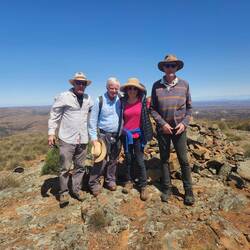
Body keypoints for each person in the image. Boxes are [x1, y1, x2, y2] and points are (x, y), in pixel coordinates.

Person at [150, 54, 195, 205]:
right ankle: (167, 188)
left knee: (184, 161)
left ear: (177, 68)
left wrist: (185, 123)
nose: (169, 68)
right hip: (164, 129)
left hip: (180, 129)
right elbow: (153, 109)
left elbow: (189, 108)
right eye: (167, 66)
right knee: (164, 160)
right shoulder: (156, 85)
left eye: (173, 66)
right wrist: (162, 124)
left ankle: (188, 191)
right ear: (163, 68)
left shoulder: (185, 84)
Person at [48, 72, 93, 206]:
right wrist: (51, 133)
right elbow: (54, 114)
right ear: (73, 83)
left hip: (83, 138)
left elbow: (96, 110)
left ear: (85, 85)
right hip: (67, 138)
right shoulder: (64, 96)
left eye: (83, 83)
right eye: (78, 82)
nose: (81, 85)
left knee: (80, 167)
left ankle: (76, 190)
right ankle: (64, 192)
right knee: (65, 168)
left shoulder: (88, 98)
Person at [120, 78, 153, 201]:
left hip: (138, 135)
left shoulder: (143, 102)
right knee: (128, 159)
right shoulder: (123, 102)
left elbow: (153, 108)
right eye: (130, 88)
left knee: (139, 160)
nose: (132, 90)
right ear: (127, 90)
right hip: (126, 135)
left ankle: (143, 186)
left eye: (134, 88)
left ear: (138, 90)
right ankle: (129, 181)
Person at [88, 77, 122, 196]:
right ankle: (94, 183)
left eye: (116, 89)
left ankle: (110, 180)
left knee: (113, 159)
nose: (114, 91)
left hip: (117, 135)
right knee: (100, 160)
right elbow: (92, 120)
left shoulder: (120, 100)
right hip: (103, 135)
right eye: (111, 88)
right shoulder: (99, 100)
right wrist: (94, 139)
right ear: (107, 87)